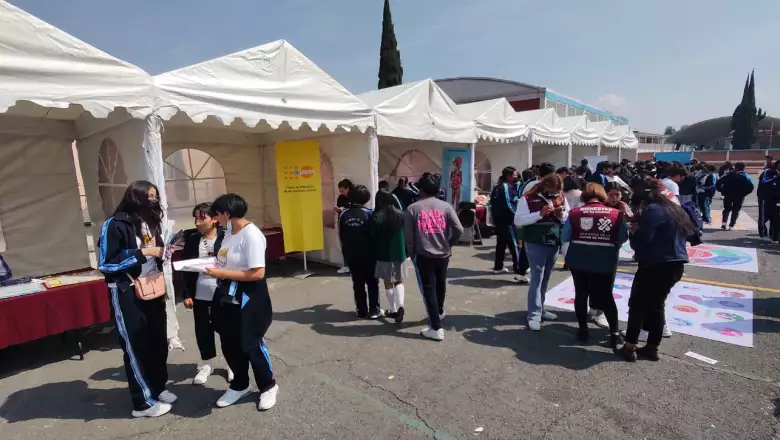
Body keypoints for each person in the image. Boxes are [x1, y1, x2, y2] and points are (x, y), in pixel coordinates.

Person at [98, 181, 173, 418]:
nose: (153, 201)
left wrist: (165, 250)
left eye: (155, 196)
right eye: (148, 196)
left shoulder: (151, 222)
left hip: (153, 286)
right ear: (136, 197)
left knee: (158, 341)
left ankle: (158, 387)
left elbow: (155, 251)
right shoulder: (115, 224)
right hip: (126, 290)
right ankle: (142, 403)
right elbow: (106, 263)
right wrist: (141, 253)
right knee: (136, 345)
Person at [206, 194, 278, 410]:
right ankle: (240, 384)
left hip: (249, 298)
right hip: (226, 296)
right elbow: (224, 260)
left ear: (227, 213)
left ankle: (268, 386)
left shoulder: (252, 235)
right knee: (229, 342)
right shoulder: (228, 233)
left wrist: (222, 272)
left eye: (217, 215)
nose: (215, 220)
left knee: (250, 342)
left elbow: (257, 273)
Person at [616, 179, 695, 362]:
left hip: (654, 264)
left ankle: (630, 346)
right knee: (657, 306)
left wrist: (634, 231)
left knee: (637, 305)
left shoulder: (652, 210)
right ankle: (652, 348)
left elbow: (644, 239)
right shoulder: (675, 209)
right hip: (676, 264)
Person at [562, 183, 627, 347]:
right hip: (605, 261)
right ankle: (614, 334)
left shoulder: (574, 213)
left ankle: (583, 330)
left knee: (581, 294)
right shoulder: (616, 213)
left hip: (578, 260)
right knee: (606, 297)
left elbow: (565, 237)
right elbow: (623, 237)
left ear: (584, 196)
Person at [405, 173, 464, 341]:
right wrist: (450, 242)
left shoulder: (412, 209)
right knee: (440, 283)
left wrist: (411, 253)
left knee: (428, 289)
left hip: (423, 254)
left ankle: (436, 327)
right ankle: (439, 311)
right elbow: (458, 228)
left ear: (421, 189)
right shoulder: (445, 206)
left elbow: (409, 238)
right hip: (443, 253)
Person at [179, 203, 232, 385]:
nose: (197, 222)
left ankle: (230, 364)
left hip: (222, 292)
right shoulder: (193, 240)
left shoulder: (226, 237)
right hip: (200, 293)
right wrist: (186, 293)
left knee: (227, 330)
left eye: (202, 217)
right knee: (203, 330)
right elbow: (185, 268)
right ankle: (206, 364)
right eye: (195, 218)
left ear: (214, 220)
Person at [514, 174, 570, 331]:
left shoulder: (560, 197)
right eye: (552, 191)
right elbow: (518, 220)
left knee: (546, 277)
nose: (554, 194)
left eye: (557, 192)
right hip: (535, 241)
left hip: (553, 240)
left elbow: (567, 216)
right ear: (545, 186)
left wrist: (562, 215)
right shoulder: (527, 198)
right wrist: (539, 213)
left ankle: (541, 309)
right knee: (537, 278)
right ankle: (533, 314)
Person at [339, 185, 382, 319]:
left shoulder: (344, 214)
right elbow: (375, 236)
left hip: (352, 255)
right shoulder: (370, 213)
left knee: (357, 284)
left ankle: (361, 310)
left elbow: (341, 235)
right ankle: (374, 310)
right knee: (372, 283)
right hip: (369, 256)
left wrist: (345, 255)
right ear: (366, 198)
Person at [371, 189, 407, 323]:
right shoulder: (400, 214)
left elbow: (372, 237)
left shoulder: (377, 217)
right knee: (398, 280)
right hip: (400, 253)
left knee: (388, 283)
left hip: (384, 254)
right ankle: (401, 305)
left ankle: (392, 309)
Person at [490, 167, 524, 281]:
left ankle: (498, 266)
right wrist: (516, 215)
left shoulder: (498, 185)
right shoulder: (505, 186)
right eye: (514, 175)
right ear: (508, 176)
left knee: (501, 244)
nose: (516, 176)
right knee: (514, 244)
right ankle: (518, 268)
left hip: (500, 220)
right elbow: (508, 204)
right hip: (507, 220)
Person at [716, 162, 754, 231]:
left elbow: (719, 182)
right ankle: (731, 225)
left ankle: (724, 223)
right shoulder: (745, 176)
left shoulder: (728, 175)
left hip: (728, 194)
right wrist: (745, 193)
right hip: (739, 196)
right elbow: (751, 187)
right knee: (736, 210)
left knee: (726, 209)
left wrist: (722, 191)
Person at [335, 179, 354, 274]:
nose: (342, 193)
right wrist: (339, 209)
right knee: (344, 245)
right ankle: (346, 265)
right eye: (340, 191)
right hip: (342, 222)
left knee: (353, 245)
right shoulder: (341, 198)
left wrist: (345, 209)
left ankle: (354, 266)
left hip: (353, 223)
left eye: (343, 191)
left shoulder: (354, 197)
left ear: (348, 188)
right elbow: (339, 207)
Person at [758, 163, 778, 241]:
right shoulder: (767, 173)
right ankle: (763, 233)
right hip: (765, 199)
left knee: (775, 218)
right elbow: (763, 183)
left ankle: (772, 234)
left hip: (776, 200)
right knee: (764, 217)